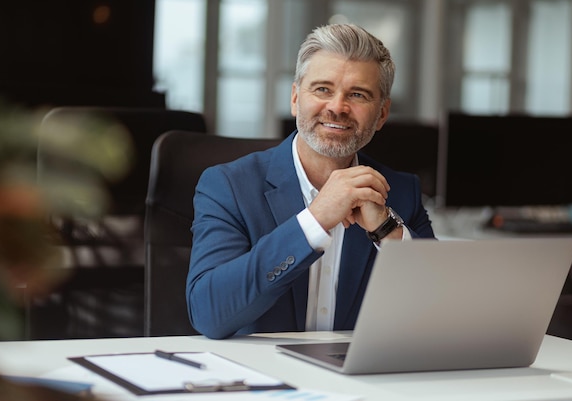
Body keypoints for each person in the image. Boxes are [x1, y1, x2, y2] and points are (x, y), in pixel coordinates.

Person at [186, 23, 435, 340]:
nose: (337, 107)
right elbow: (209, 314)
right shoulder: (228, 186)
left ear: (382, 113)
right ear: (294, 98)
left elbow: (441, 312)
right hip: (263, 380)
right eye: (322, 89)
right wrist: (315, 220)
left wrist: (386, 230)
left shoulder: (400, 191)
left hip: (358, 382)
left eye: (357, 94)